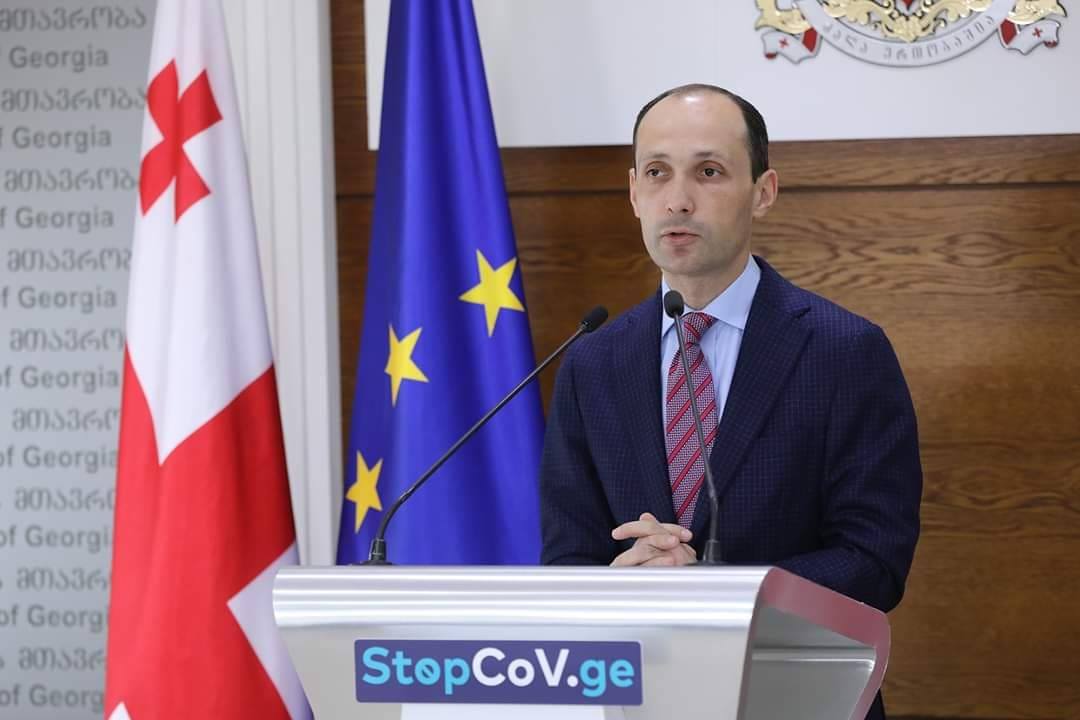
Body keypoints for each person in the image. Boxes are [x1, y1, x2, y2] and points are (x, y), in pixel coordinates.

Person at [539, 84, 922, 720]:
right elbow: (567, 557)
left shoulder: (845, 351)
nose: (677, 200)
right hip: (637, 697)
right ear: (633, 193)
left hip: (796, 696)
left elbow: (874, 560)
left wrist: (715, 592)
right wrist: (624, 581)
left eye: (709, 172)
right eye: (656, 173)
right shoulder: (592, 362)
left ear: (763, 192)